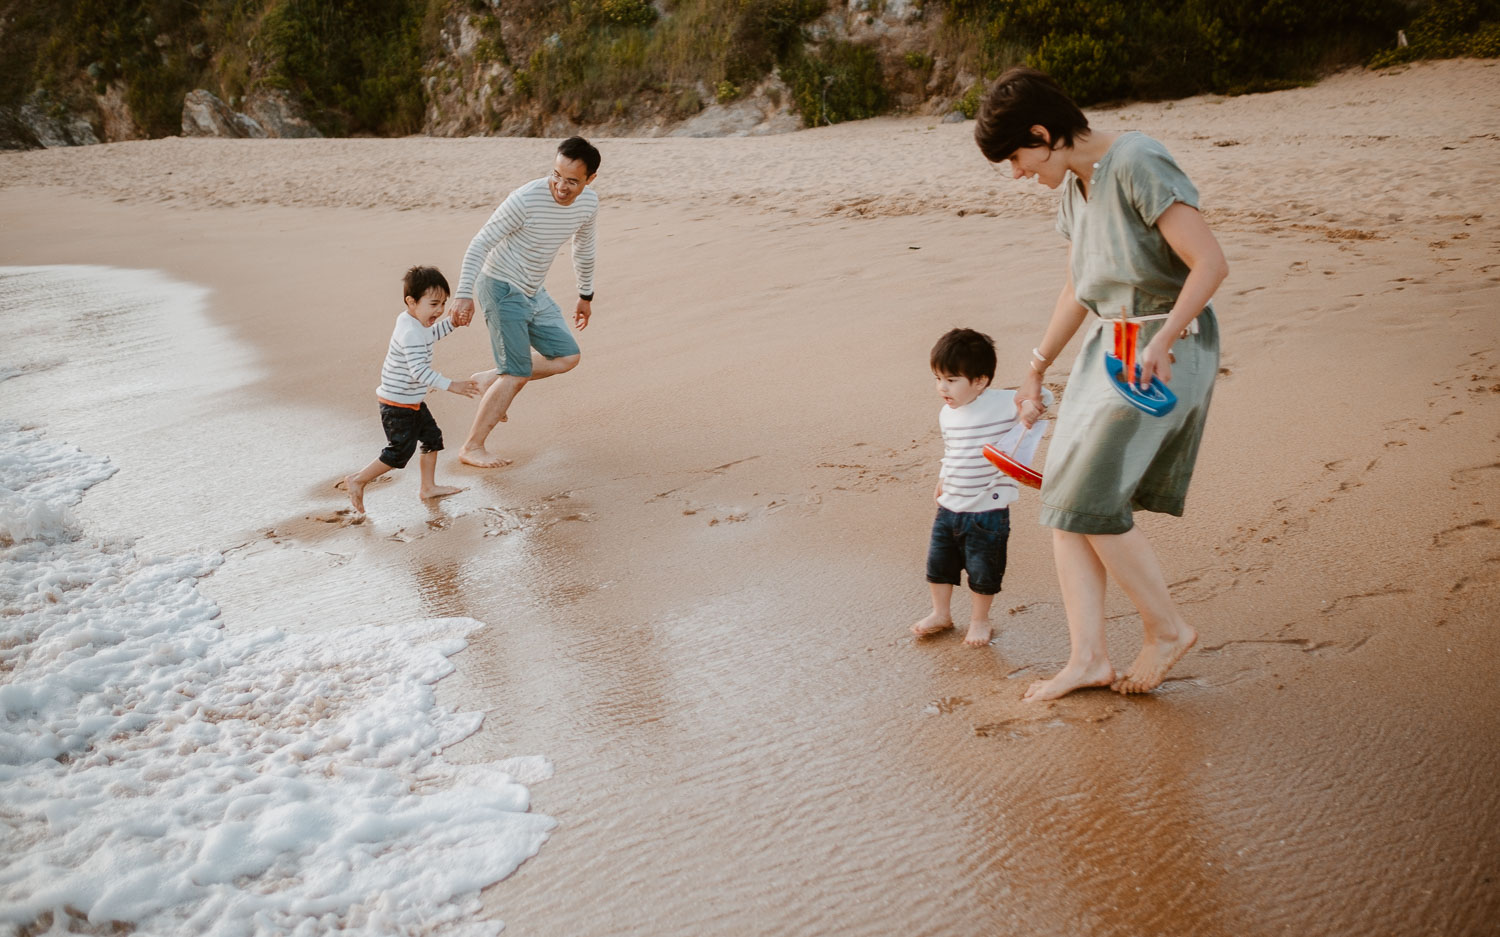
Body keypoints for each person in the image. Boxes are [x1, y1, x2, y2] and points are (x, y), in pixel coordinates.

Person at [973, 67, 1229, 701]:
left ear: (1043, 133)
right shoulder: (1073, 187)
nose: (1017, 173)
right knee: (1064, 499)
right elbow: (1078, 286)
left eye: (1016, 157)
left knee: (1089, 496)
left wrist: (1164, 339)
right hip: (1108, 348)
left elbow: (1210, 263)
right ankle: (1088, 658)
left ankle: (1166, 628)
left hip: (1168, 345)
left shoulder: (1138, 160)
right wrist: (1035, 365)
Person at [446, 136, 601, 468]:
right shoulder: (525, 199)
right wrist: (463, 293)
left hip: (533, 290)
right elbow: (480, 243)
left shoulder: (588, 204)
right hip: (500, 287)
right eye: (556, 175)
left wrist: (585, 295)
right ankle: (472, 447)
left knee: (567, 356)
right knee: (516, 375)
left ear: (590, 180)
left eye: (572, 180)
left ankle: (491, 376)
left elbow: (583, 248)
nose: (560, 185)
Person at [912, 328, 1051, 647]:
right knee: (938, 566)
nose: (942, 388)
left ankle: (979, 621)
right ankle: (941, 613)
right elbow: (951, 451)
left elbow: (1044, 398)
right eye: (937, 379)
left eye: (951, 379)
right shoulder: (947, 414)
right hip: (949, 506)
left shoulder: (1003, 403)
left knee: (983, 571)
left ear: (980, 380)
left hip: (988, 510)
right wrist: (942, 479)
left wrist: (1030, 406)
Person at [344, 266, 480, 514]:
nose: (439, 310)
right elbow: (419, 371)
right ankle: (359, 480)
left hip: (411, 400)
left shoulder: (413, 321)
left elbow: (431, 334)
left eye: (443, 304)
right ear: (411, 301)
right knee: (398, 453)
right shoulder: (410, 332)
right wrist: (453, 385)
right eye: (434, 304)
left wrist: (452, 323)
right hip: (397, 405)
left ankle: (428, 487)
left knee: (432, 438)